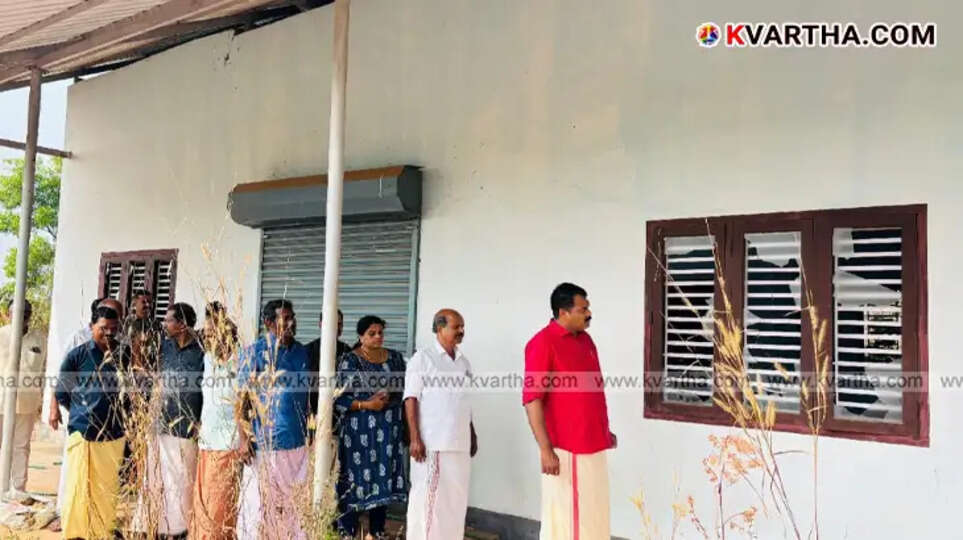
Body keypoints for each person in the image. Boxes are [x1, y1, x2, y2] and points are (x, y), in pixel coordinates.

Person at [523, 283, 616, 540]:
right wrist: (545, 449)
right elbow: (532, 400)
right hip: (567, 449)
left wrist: (603, 430)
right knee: (570, 522)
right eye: (583, 308)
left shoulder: (585, 340)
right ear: (564, 312)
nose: (588, 313)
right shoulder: (543, 343)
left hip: (594, 444)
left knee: (595, 516)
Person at [47, 296, 123, 531]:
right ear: (92, 327)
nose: (108, 333)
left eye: (113, 329)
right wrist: (81, 410)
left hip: (112, 434)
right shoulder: (77, 355)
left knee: (105, 488)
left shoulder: (124, 354)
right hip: (82, 432)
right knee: (78, 486)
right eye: (103, 329)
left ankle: (101, 532)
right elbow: (62, 391)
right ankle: (76, 533)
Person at [237, 299, 311, 540]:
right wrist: (243, 439)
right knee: (261, 507)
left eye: (293, 317)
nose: (291, 323)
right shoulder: (254, 353)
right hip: (265, 446)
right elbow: (241, 400)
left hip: (297, 445)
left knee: (293, 507)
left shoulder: (302, 353)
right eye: (285, 318)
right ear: (268, 323)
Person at [404, 309, 477, 540]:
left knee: (455, 503)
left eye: (462, 327)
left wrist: (472, 434)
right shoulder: (423, 359)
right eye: (456, 327)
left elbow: (464, 402)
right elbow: (410, 398)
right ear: (439, 328)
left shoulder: (463, 362)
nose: (461, 331)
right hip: (433, 444)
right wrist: (415, 437)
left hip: (460, 444)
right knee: (429, 504)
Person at [132, 302, 204, 537]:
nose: (164, 324)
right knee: (155, 477)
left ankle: (177, 529)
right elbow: (145, 369)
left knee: (182, 480)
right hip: (160, 422)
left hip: (187, 426)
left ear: (182, 324)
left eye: (168, 320)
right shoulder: (163, 347)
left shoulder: (202, 350)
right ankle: (151, 524)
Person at [334, 315, 408, 540]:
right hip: (358, 433)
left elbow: (406, 389)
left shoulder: (394, 358)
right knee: (353, 480)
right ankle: (348, 530)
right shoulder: (350, 360)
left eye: (380, 333)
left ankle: (377, 530)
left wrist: (391, 400)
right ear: (361, 336)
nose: (378, 337)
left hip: (388, 430)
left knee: (382, 478)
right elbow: (339, 399)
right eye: (372, 333)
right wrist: (368, 404)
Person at [190, 302, 243, 540]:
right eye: (207, 333)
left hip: (227, 443)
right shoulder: (208, 359)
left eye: (213, 333)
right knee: (203, 503)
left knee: (219, 504)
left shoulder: (239, 362)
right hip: (207, 441)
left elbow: (244, 403)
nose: (209, 337)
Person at [0, 299, 46, 497]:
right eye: (17, 313)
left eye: (26, 313)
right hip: (1, 401)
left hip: (27, 403)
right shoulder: (1, 335)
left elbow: (43, 369)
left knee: (21, 447)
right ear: (8, 314)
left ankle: (18, 489)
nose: (22, 317)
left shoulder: (40, 339)